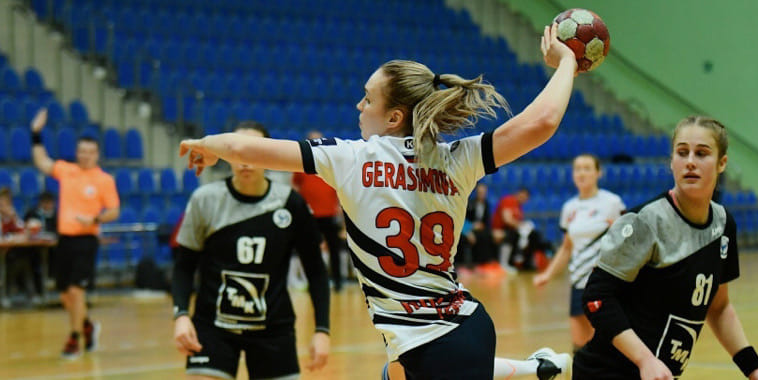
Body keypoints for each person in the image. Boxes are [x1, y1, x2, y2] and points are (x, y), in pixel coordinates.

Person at [179, 24, 575, 379]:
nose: (359, 106)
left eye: (367, 99)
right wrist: (567, 64)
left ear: (393, 117)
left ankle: (539, 367)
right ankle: (539, 367)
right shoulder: (461, 157)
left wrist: (206, 145)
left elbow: (245, 147)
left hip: (435, 339)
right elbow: (541, 122)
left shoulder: (350, 157)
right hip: (448, 331)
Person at [572, 117, 758, 379]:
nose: (690, 161)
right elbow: (596, 297)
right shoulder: (644, 221)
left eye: (701, 153)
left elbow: (719, 308)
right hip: (606, 372)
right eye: (682, 152)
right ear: (672, 160)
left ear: (722, 163)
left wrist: (755, 371)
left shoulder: (724, 226)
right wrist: (645, 360)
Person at [172, 121, 331, 379]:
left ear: (267, 156)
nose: (245, 161)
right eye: (237, 153)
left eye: (252, 152)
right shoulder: (205, 199)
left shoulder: (291, 204)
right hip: (213, 327)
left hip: (274, 328)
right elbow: (184, 265)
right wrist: (180, 315)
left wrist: (322, 330)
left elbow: (316, 271)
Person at [30, 109, 120, 359]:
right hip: (65, 239)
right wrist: (35, 133)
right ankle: (87, 326)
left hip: (86, 239)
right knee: (65, 293)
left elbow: (113, 210)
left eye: (90, 152)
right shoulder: (67, 171)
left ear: (97, 154)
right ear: (77, 152)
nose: (85, 155)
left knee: (76, 290)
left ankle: (74, 338)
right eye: (82, 151)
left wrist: (95, 218)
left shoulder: (104, 180)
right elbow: (41, 161)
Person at [533, 154, 625, 351]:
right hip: (578, 282)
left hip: (604, 281)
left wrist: (619, 231)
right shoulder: (569, 208)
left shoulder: (612, 203)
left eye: (587, 168)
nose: (581, 173)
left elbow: (628, 242)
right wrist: (547, 275)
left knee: (605, 343)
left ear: (598, 173)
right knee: (580, 347)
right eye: (577, 169)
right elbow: (566, 248)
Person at [292, 130, 345, 291]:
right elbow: (295, 186)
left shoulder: (331, 164)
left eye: (319, 140)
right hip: (309, 214)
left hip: (329, 213)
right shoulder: (301, 165)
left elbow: (339, 188)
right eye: (313, 141)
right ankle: (312, 281)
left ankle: (337, 282)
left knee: (334, 249)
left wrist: (340, 209)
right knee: (309, 249)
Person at [461, 183, 502, 275]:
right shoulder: (469, 203)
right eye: (480, 192)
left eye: (484, 192)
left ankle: (485, 264)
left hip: (481, 230)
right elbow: (462, 220)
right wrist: (469, 229)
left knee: (489, 236)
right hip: (467, 230)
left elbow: (486, 222)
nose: (482, 194)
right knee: (469, 239)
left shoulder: (487, 204)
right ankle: (465, 265)